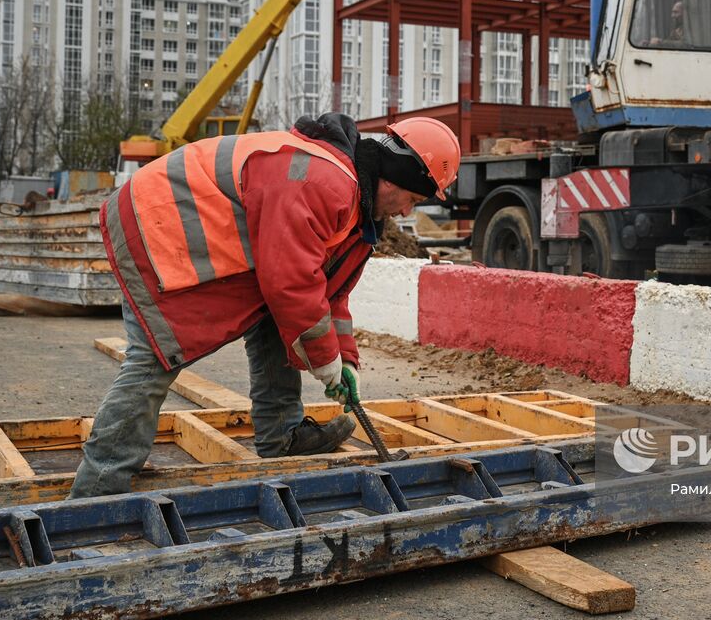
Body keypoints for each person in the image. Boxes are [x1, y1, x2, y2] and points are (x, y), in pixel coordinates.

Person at [69, 112, 461, 498]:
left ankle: (281, 437)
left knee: (280, 319)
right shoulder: (324, 183)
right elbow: (290, 282)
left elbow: (328, 292)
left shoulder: (358, 209)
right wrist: (325, 365)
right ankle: (99, 486)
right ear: (394, 177)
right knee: (159, 353)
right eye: (411, 199)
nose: (407, 212)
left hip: (187, 228)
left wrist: (345, 361)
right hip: (157, 223)